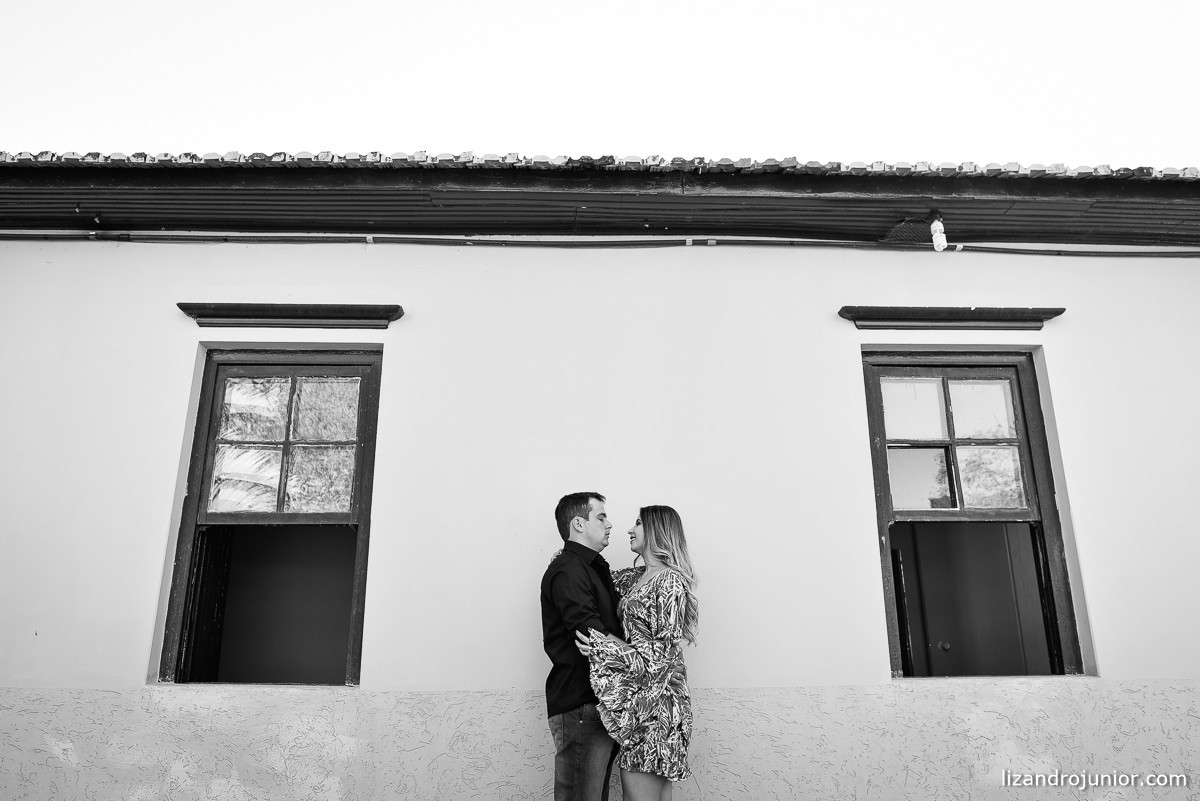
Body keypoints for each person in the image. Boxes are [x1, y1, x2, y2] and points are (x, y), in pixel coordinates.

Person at [577, 505, 699, 801]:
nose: (630, 530)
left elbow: (661, 657)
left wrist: (605, 647)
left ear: (657, 529)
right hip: (645, 701)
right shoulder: (637, 577)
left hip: (657, 705)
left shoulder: (669, 581)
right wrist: (568, 555)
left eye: (639, 523)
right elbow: (596, 577)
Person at [541, 492, 625, 801]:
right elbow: (593, 636)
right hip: (582, 704)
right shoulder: (569, 570)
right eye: (601, 517)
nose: (609, 524)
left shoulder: (591, 567)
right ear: (578, 523)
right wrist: (643, 659)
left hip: (598, 704)